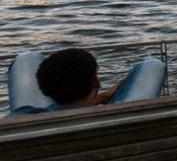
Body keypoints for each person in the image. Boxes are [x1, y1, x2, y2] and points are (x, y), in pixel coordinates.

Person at [6, 48, 166, 117]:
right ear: (96, 82)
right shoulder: (119, 117)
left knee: (27, 58)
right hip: (111, 125)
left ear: (42, 88)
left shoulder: (17, 122)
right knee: (152, 65)